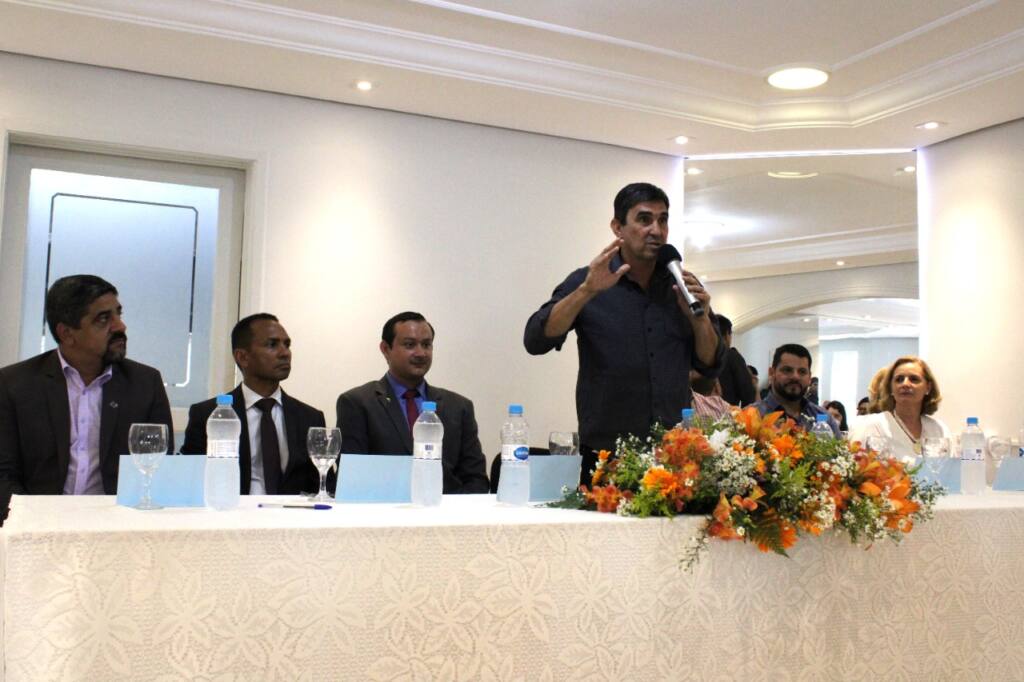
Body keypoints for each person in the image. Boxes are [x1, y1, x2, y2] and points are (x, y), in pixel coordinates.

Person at [524, 182, 725, 484]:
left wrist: (699, 319)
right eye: (644, 219)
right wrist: (586, 291)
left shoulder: (681, 286)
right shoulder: (589, 280)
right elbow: (535, 339)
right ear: (618, 227)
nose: (656, 230)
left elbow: (711, 365)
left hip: (674, 456)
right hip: (607, 456)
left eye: (663, 220)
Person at [0, 274, 173, 496]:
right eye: (103, 319)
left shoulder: (145, 384)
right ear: (67, 334)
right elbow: (3, 474)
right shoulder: (15, 384)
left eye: (118, 314)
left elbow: (158, 468)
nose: (120, 326)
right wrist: (32, 515)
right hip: (37, 514)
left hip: (116, 515)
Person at [336, 312, 489, 494]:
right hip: (383, 507)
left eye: (426, 345)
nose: (421, 353)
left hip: (446, 507)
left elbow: (476, 480)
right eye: (409, 345)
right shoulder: (357, 403)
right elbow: (353, 479)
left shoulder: (459, 407)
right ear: (385, 349)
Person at [180, 314, 323, 495]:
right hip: (230, 509)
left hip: (291, 512)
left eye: (287, 345)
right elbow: (190, 483)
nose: (285, 353)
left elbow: (324, 486)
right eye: (272, 344)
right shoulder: (208, 415)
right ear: (242, 357)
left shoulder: (310, 418)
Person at [850, 356, 950, 459]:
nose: (905, 384)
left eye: (914, 379)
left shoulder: (939, 429)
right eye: (899, 379)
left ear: (928, 387)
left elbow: (949, 466)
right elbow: (855, 466)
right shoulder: (871, 425)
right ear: (891, 388)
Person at [753, 344, 839, 435]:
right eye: (787, 370)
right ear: (772, 373)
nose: (795, 376)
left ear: (809, 377)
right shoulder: (751, 416)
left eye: (802, 371)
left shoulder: (824, 418)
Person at [715, 314, 756, 407]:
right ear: (727, 335)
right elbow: (747, 393)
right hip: (727, 412)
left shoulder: (696, 356)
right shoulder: (732, 356)